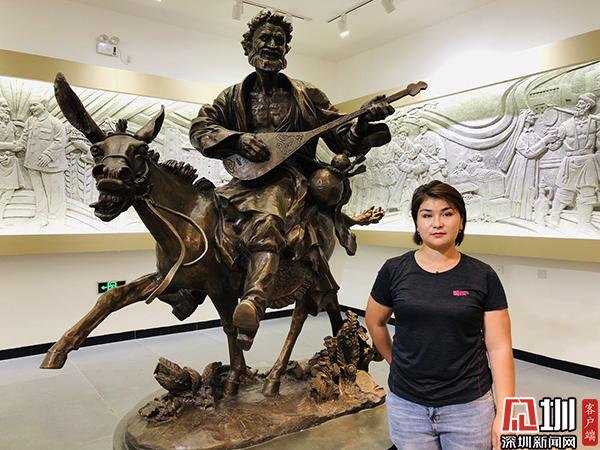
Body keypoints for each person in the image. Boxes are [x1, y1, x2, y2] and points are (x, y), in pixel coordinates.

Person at [189, 10, 393, 347]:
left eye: (279, 40)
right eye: (265, 38)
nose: (272, 44)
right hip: (245, 180)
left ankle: (253, 303)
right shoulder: (231, 97)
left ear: (286, 49)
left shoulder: (307, 95)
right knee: (201, 214)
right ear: (249, 46)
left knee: (268, 215)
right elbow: (200, 128)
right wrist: (237, 140)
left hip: (291, 179)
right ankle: (190, 288)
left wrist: (361, 123)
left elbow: (341, 136)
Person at [365, 180, 515, 450]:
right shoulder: (394, 270)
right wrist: (395, 362)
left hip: (469, 407)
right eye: (427, 215)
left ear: (461, 221)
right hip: (407, 405)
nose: (437, 223)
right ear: (416, 223)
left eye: (447, 213)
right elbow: (375, 321)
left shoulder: (483, 275)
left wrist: (506, 412)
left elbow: (499, 347)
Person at [548, 93, 600, 229]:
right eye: (578, 103)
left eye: (582, 104)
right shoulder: (565, 125)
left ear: (588, 106)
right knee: (564, 192)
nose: (578, 106)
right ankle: (554, 217)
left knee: (587, 193)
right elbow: (554, 145)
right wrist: (548, 140)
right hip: (570, 162)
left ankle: (584, 223)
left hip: (588, 161)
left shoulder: (595, 123)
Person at [497, 109, 558, 220]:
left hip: (530, 165)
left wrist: (552, 137)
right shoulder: (519, 137)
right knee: (522, 189)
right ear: (524, 119)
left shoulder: (533, 134)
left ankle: (528, 214)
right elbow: (528, 152)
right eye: (531, 115)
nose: (534, 117)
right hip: (521, 166)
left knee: (530, 188)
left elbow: (545, 145)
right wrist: (545, 140)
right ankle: (519, 214)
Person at [16, 97, 68, 225]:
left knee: (54, 193)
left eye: (35, 105)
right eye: (30, 105)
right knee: (39, 193)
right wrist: (18, 146)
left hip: (51, 166)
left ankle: (56, 220)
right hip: (33, 164)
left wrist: (48, 155)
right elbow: (25, 137)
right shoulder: (30, 121)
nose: (31, 108)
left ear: (44, 105)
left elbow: (61, 141)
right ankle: (41, 217)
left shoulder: (55, 123)